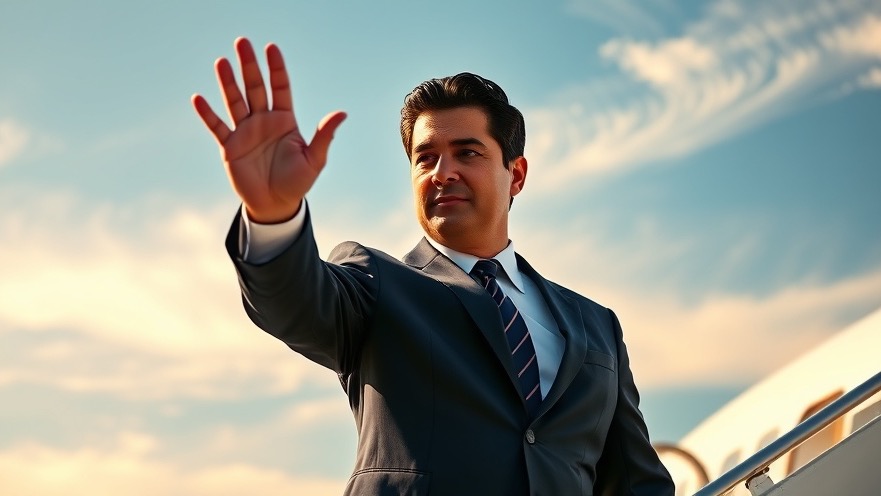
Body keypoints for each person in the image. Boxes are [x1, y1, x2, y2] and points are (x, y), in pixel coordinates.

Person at [192, 37, 674, 495]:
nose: (443, 172)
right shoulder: (375, 284)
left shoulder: (596, 326)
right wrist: (273, 214)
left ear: (517, 175)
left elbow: (637, 482)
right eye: (426, 158)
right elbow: (291, 300)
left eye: (467, 152)